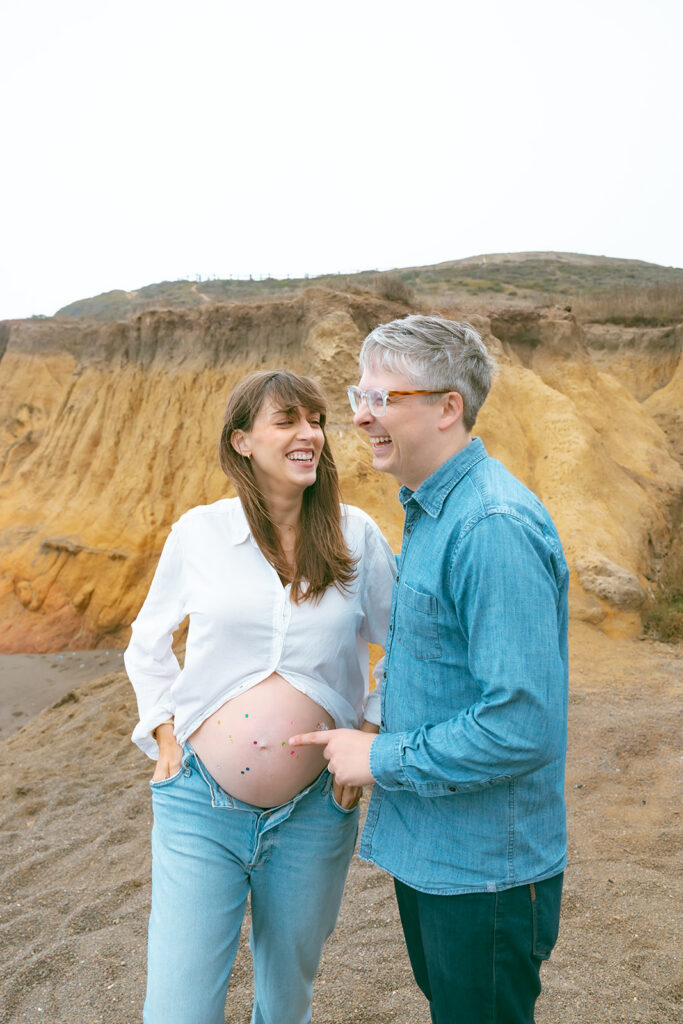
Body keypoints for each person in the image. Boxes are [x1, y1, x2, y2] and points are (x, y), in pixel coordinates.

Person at [290, 316, 569, 1024]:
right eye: (360, 394)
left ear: (448, 407)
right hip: (441, 857)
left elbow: (524, 724)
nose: (358, 415)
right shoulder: (433, 511)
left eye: (382, 398)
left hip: (485, 871)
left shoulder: (489, 526)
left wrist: (378, 756)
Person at [125, 369, 396, 1024]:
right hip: (199, 807)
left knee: (284, 1002)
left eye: (316, 421)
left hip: (312, 814)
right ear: (242, 441)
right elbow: (147, 641)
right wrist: (162, 735)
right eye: (287, 421)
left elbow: (408, 646)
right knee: (178, 1010)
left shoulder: (355, 534)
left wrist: (370, 729)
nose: (309, 435)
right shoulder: (200, 533)